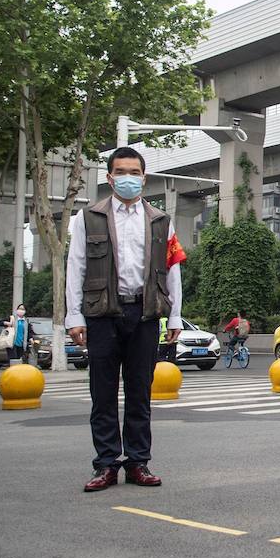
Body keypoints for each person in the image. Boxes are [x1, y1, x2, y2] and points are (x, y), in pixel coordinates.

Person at [65, 147, 184, 492]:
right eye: (121, 172)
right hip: (103, 314)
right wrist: (75, 317)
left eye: (134, 172)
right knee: (102, 393)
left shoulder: (161, 220)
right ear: (109, 177)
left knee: (139, 393)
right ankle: (105, 464)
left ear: (144, 178)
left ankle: (137, 462)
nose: (128, 178)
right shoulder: (87, 218)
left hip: (144, 314)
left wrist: (174, 315)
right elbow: (76, 268)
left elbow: (172, 269)